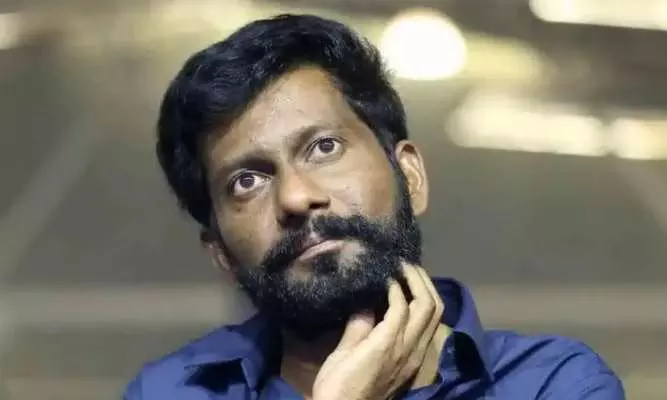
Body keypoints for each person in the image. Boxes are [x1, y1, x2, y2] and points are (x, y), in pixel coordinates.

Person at [124, 14, 624, 400]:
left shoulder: (553, 384)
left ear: (410, 176)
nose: (296, 197)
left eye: (324, 147)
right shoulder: (169, 393)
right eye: (247, 181)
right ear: (221, 255)